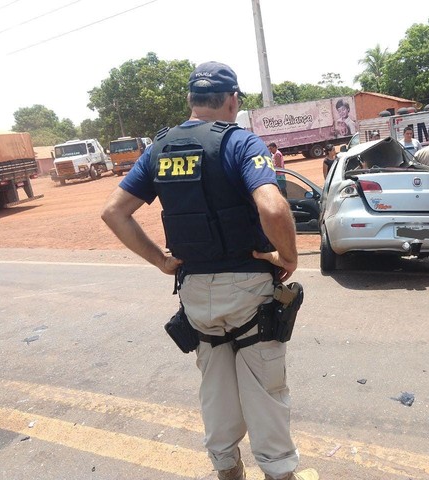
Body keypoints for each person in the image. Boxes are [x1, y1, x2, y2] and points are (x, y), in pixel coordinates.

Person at [100, 61, 318, 480]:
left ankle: (226, 468)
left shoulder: (159, 149)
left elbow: (114, 212)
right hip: (249, 290)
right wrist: (287, 257)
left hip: (195, 295)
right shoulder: (240, 143)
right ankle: (278, 472)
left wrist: (162, 261)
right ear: (233, 100)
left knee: (215, 391)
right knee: (264, 391)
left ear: (190, 101)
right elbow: (273, 206)